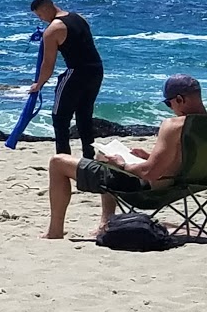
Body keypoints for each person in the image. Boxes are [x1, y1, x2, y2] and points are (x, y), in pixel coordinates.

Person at [43, 74, 205, 240]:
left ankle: (55, 231)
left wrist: (122, 165)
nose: (170, 108)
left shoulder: (174, 126)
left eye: (168, 103)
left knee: (58, 162)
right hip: (184, 186)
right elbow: (188, 158)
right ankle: (105, 222)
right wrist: (149, 156)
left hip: (148, 192)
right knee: (104, 157)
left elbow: (150, 173)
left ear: (179, 99)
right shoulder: (200, 126)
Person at [28, 0, 104, 160]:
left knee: (60, 117)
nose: (41, 19)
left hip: (76, 73)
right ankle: (88, 157)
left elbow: (48, 64)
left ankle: (63, 160)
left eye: (40, 15)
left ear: (46, 8)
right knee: (84, 115)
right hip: (96, 70)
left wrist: (38, 84)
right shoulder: (79, 18)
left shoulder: (53, 30)